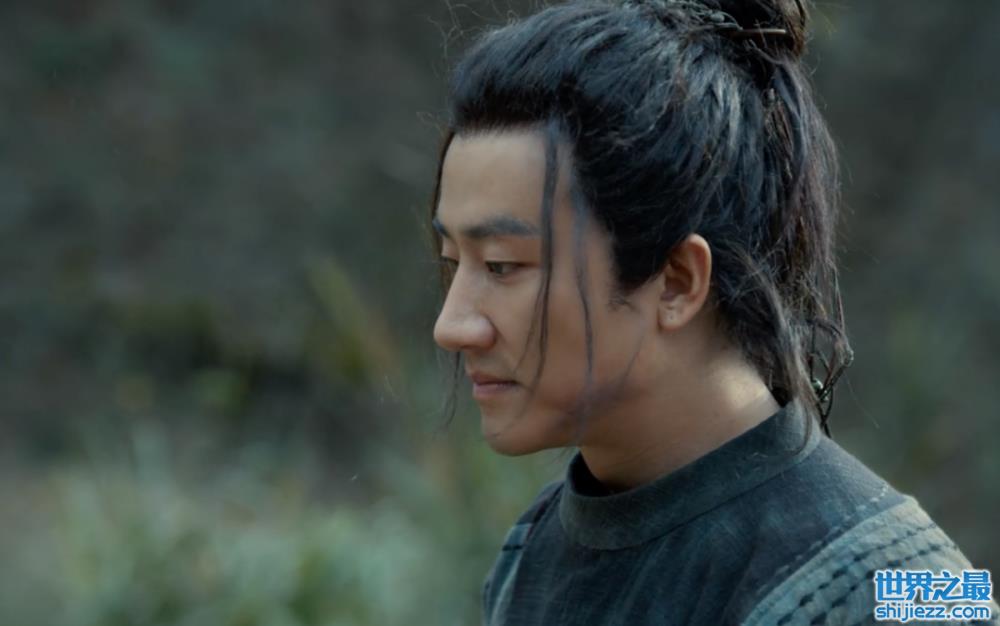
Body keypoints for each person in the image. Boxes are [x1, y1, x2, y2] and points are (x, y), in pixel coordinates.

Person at [427, 0, 998, 624]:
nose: (451, 326)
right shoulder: (533, 550)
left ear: (676, 282)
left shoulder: (906, 593)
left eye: (502, 266)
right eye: (454, 263)